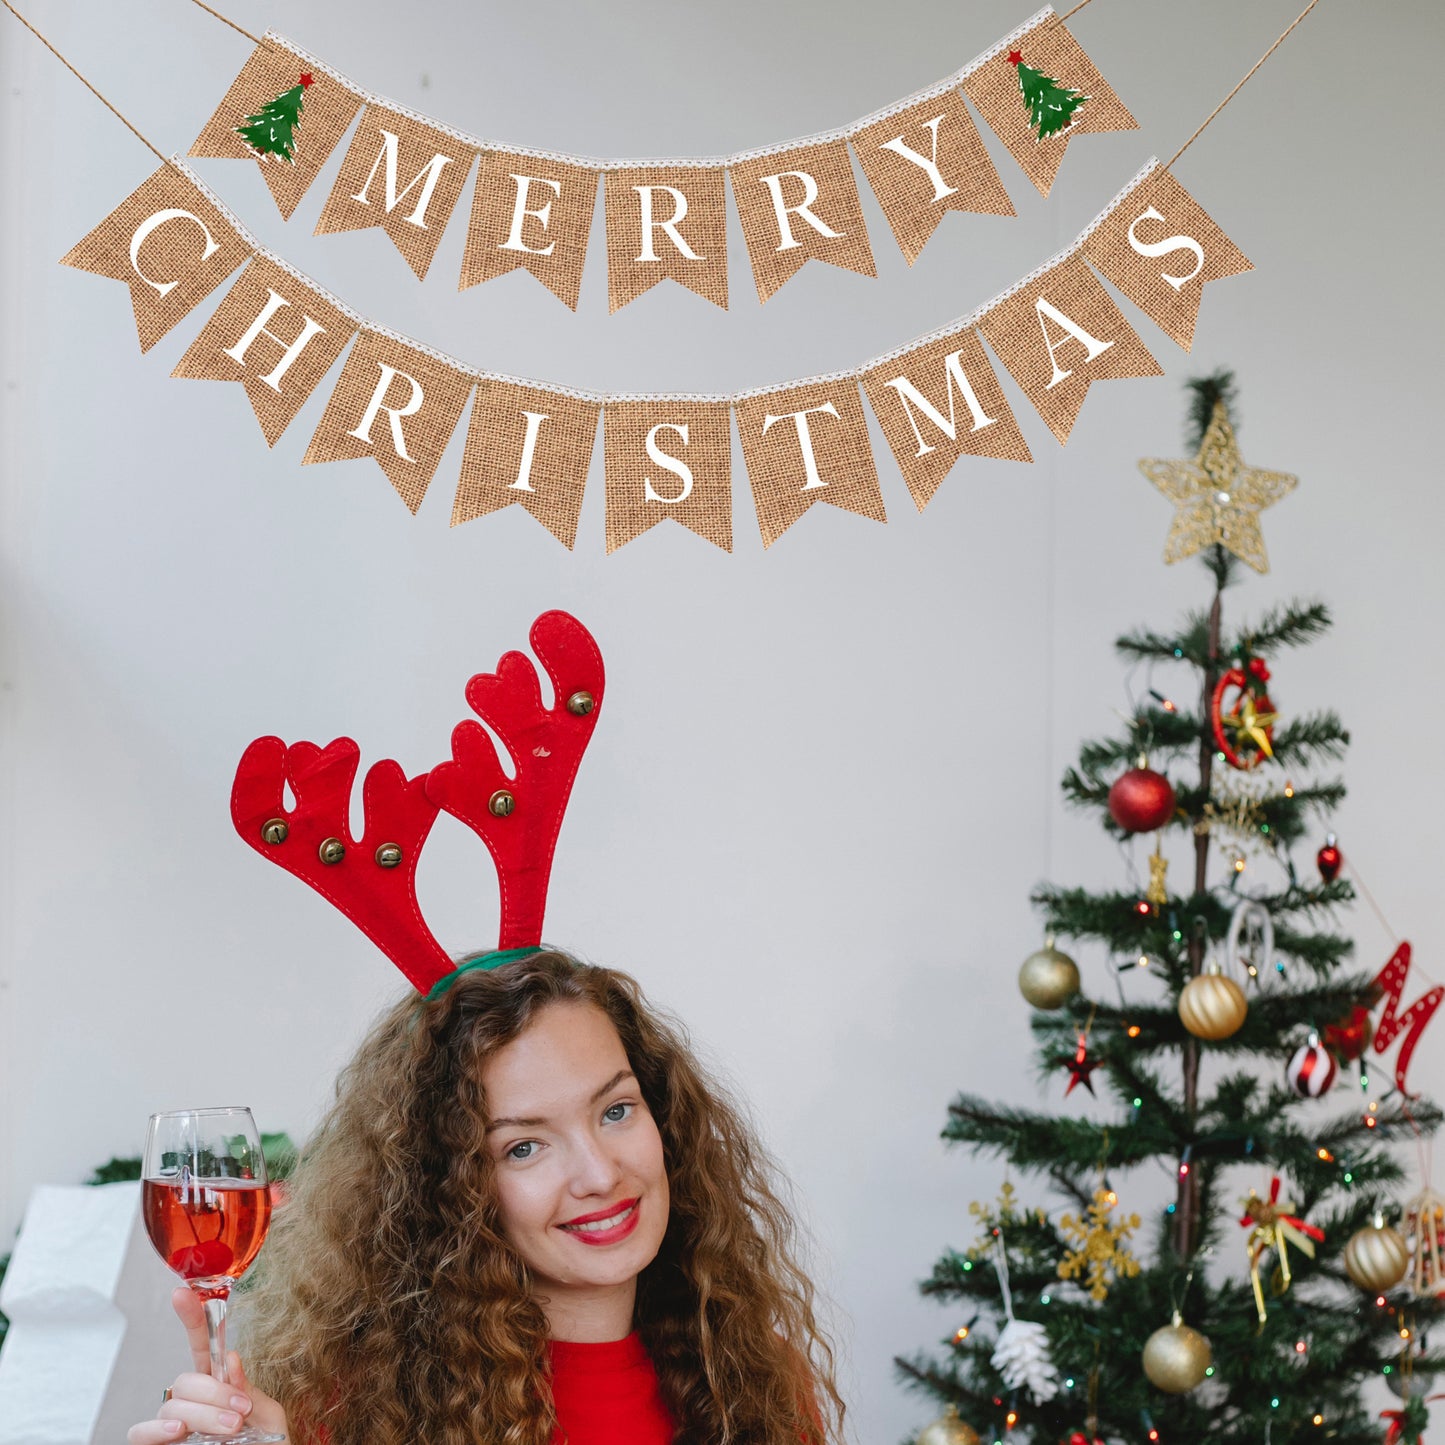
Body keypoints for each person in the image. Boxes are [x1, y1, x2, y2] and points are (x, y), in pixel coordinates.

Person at [127, 950, 846, 1445]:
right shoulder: (345, 1413)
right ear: (448, 1190)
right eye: (522, 1145)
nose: (598, 1172)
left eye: (616, 1109)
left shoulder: (753, 1378)